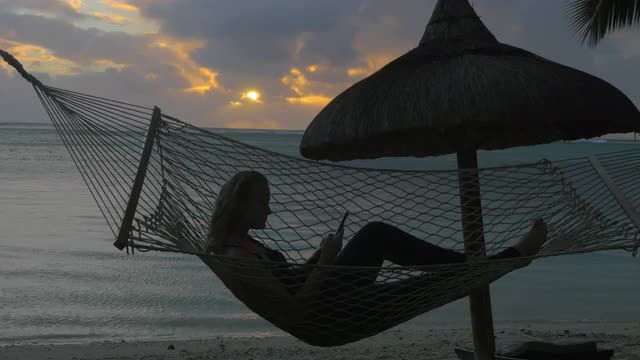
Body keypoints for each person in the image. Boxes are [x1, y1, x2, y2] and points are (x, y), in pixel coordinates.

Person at [204, 170, 547, 332]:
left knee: (375, 234)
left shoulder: (243, 245)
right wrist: (325, 260)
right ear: (239, 206)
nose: (269, 210)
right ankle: (512, 257)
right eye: (263, 203)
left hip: (328, 296)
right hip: (326, 316)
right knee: (422, 286)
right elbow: (296, 309)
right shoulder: (237, 260)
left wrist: (319, 255)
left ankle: (481, 264)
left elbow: (291, 281)